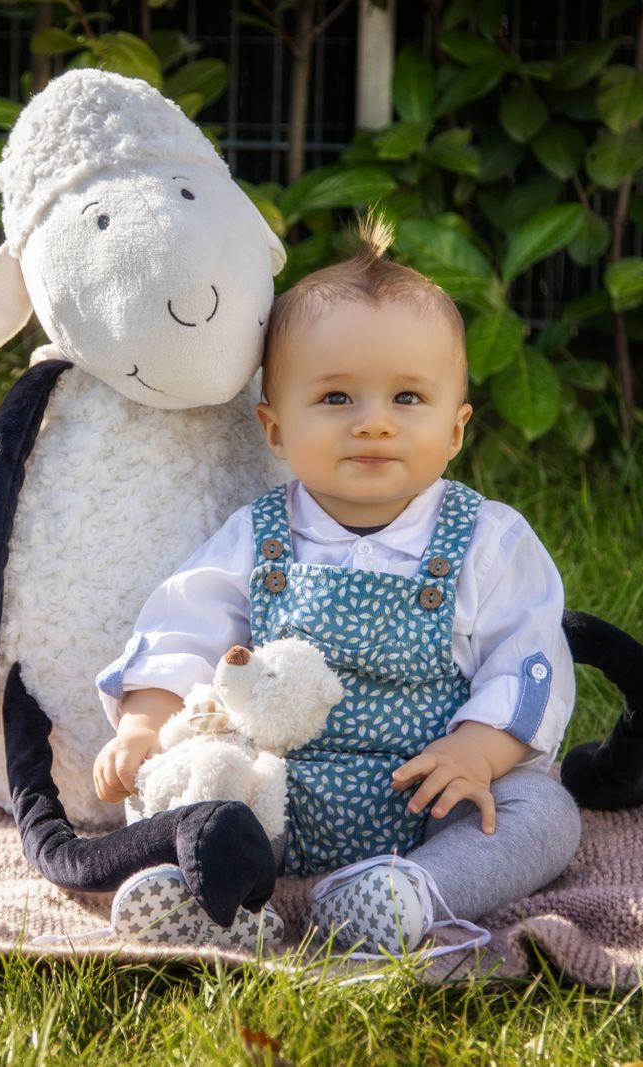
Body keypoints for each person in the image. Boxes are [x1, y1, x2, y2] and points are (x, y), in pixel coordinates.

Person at [90, 215, 582, 955]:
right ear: (275, 427)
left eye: (408, 399)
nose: (374, 424)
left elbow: (530, 656)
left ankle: (409, 892)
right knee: (186, 780)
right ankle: (210, 899)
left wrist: (477, 753)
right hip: (275, 794)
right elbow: (184, 623)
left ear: (456, 428)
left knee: (542, 811)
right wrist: (143, 722)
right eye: (336, 399)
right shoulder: (257, 534)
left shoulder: (489, 539)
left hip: (430, 796)